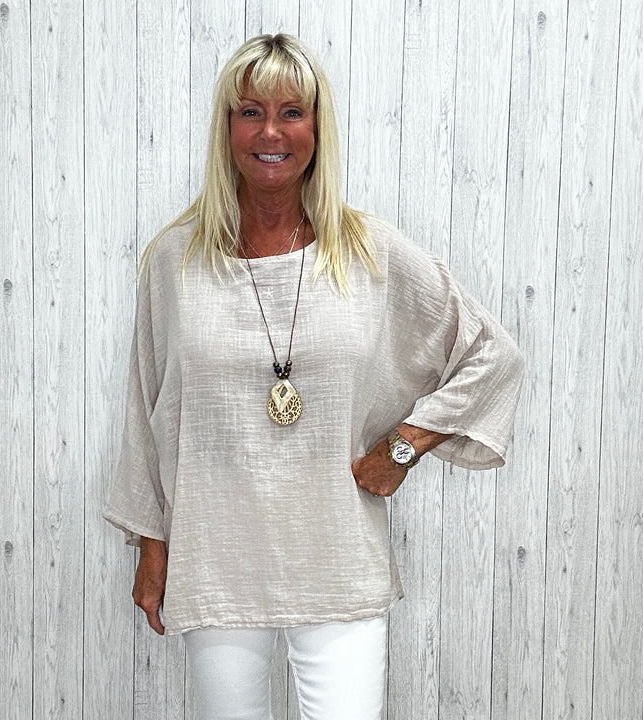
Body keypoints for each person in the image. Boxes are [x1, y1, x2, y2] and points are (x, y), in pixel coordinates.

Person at [104, 33, 524, 720]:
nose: (271, 132)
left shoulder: (370, 252)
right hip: (217, 554)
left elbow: (492, 353)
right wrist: (153, 547)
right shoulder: (175, 260)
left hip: (337, 556)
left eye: (291, 112)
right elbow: (148, 409)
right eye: (250, 112)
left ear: (318, 128)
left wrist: (404, 446)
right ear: (226, 129)